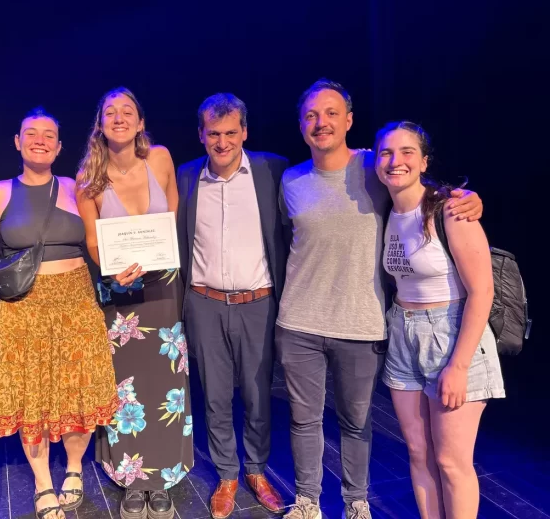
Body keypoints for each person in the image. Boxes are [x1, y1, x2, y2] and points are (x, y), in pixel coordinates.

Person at [276, 79, 484, 519]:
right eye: (311, 115)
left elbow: (415, 175)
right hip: (300, 323)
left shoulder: (375, 165)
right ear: (299, 124)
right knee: (306, 421)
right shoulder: (291, 180)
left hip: (362, 323)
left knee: (359, 423)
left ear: (349, 120)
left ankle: (356, 502)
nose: (321, 122)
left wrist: (466, 197)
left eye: (332, 113)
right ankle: (308, 503)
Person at [0, 108, 118, 519]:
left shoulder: (79, 187)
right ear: (17, 142)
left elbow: (102, 240)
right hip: (22, 309)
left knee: (79, 389)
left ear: (59, 147)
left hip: (76, 302)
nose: (40, 140)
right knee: (32, 395)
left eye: (49, 135)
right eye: (31, 133)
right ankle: (43, 482)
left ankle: (74, 468)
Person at [374, 121, 504, 519]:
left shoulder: (450, 209)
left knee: (451, 462)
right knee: (418, 453)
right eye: (386, 153)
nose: (396, 161)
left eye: (407, 152)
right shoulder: (386, 210)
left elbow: (482, 291)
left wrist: (459, 366)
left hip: (452, 333)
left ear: (424, 160)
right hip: (402, 334)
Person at [76, 87, 191, 519]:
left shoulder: (160, 158)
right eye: (111, 112)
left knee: (166, 384)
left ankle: (161, 477)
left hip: (163, 290)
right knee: (127, 390)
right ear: (101, 123)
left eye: (128, 112)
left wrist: (160, 256)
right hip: (121, 301)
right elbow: (92, 241)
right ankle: (132, 480)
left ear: (141, 122)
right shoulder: (90, 175)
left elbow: (172, 216)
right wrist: (114, 269)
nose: (120, 118)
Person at [176, 93, 289, 519]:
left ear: (244, 132)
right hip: (203, 302)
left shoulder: (272, 170)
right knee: (216, 396)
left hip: (258, 302)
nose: (222, 142)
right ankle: (227, 473)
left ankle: (256, 470)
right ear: (201, 134)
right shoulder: (187, 177)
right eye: (213, 134)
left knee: (260, 396)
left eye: (230, 133)